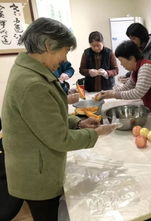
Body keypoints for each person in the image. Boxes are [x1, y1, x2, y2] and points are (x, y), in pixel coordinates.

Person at [1, 17, 116, 221]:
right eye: (64, 51)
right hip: (37, 172)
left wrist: (78, 123)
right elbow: (58, 139)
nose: (64, 59)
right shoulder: (32, 83)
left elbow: (46, 118)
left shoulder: (30, 71)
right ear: (48, 46)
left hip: (36, 164)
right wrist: (95, 134)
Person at [94, 40, 151, 118]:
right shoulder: (136, 69)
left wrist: (113, 94)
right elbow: (127, 86)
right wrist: (108, 92)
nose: (121, 64)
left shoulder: (146, 67)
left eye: (121, 60)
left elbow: (138, 92)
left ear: (132, 58)